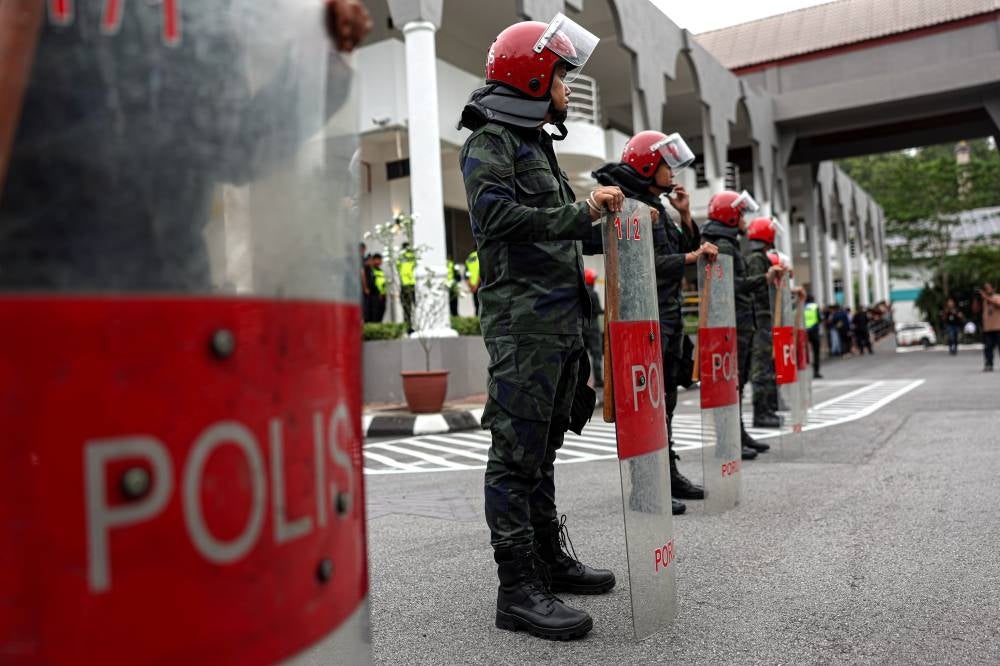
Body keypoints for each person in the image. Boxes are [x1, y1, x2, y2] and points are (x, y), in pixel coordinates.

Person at [0, 0, 371, 291]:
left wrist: (323, 61)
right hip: (36, 283)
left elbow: (235, 145)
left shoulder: (200, 18)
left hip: (167, 289)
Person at [458, 14, 620, 640]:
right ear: (531, 77)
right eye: (560, 75)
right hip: (522, 327)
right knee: (514, 458)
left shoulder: (535, 146)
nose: (567, 87)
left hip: (557, 322)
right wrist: (578, 211)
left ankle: (548, 564)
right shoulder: (489, 141)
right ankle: (517, 589)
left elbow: (555, 222)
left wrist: (591, 212)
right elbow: (496, 217)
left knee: (543, 451)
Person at [592, 130, 717, 513]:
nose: (673, 172)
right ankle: (646, 488)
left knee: (667, 401)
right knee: (646, 405)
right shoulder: (629, 205)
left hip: (668, 315)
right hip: (644, 318)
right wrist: (689, 260)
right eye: (666, 164)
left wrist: (683, 215)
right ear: (648, 164)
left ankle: (668, 474)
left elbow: (677, 250)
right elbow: (642, 263)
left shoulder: (656, 205)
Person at [700, 191, 787, 459]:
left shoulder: (728, 244)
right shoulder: (724, 246)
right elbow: (731, 286)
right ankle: (728, 442)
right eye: (740, 214)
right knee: (731, 382)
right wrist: (764, 277)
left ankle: (737, 435)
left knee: (737, 383)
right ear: (729, 215)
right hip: (732, 324)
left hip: (738, 323)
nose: (744, 220)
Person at [745, 218, 783, 429]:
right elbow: (757, 287)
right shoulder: (757, 259)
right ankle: (761, 412)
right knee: (761, 366)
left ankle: (767, 408)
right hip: (759, 318)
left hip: (763, 318)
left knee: (767, 364)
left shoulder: (760, 258)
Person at [980, 283, 1000, 371]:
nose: (987, 290)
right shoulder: (983, 300)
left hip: (998, 327)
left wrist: (986, 298)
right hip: (987, 328)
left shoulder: (997, 297)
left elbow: (998, 304)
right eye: (985, 288)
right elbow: (975, 310)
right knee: (988, 347)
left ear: (993, 288)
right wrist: (976, 300)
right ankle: (989, 364)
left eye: (988, 288)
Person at [397, 243, 416, 333]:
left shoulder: (400, 257)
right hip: (413, 285)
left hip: (404, 285)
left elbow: (398, 269)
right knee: (416, 307)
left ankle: (408, 328)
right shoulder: (414, 256)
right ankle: (418, 326)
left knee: (406, 309)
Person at [804, 294, 823, 378]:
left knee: (803, 352)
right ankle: (816, 372)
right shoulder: (815, 306)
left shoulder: (803, 306)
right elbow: (819, 318)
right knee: (816, 352)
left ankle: (803, 372)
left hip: (804, 332)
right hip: (814, 331)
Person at [368, 253, 387, 323]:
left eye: (381, 260)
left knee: (380, 313)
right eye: (378, 260)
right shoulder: (371, 270)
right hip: (374, 295)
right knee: (374, 315)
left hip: (382, 295)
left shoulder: (381, 271)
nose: (380, 262)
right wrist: (378, 292)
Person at [465, 249, 481, 316]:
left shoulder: (469, 258)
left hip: (472, 285)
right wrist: (477, 285)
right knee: (482, 306)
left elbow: (467, 274)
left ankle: (476, 321)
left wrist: (471, 286)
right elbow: (481, 272)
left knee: (476, 305)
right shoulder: (481, 255)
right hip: (480, 284)